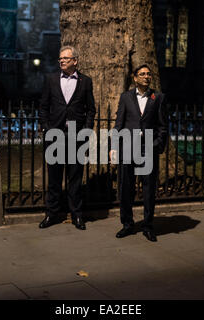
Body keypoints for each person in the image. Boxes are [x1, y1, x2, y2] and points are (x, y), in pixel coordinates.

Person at [39, 46, 96, 230]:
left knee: (75, 178)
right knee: (54, 178)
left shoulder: (85, 82)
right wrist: (47, 129)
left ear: (75, 61)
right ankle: (51, 214)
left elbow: (91, 110)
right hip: (54, 136)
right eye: (60, 58)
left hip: (76, 137)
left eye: (65, 58)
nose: (61, 61)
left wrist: (87, 130)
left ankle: (76, 215)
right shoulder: (51, 80)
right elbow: (43, 107)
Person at [110, 64, 168, 242]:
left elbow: (163, 126)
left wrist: (157, 144)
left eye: (148, 74)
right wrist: (114, 147)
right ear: (135, 78)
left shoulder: (158, 97)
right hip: (128, 146)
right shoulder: (126, 97)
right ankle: (127, 224)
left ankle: (148, 226)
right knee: (126, 187)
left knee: (149, 188)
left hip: (147, 148)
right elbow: (119, 124)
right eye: (142, 74)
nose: (146, 76)